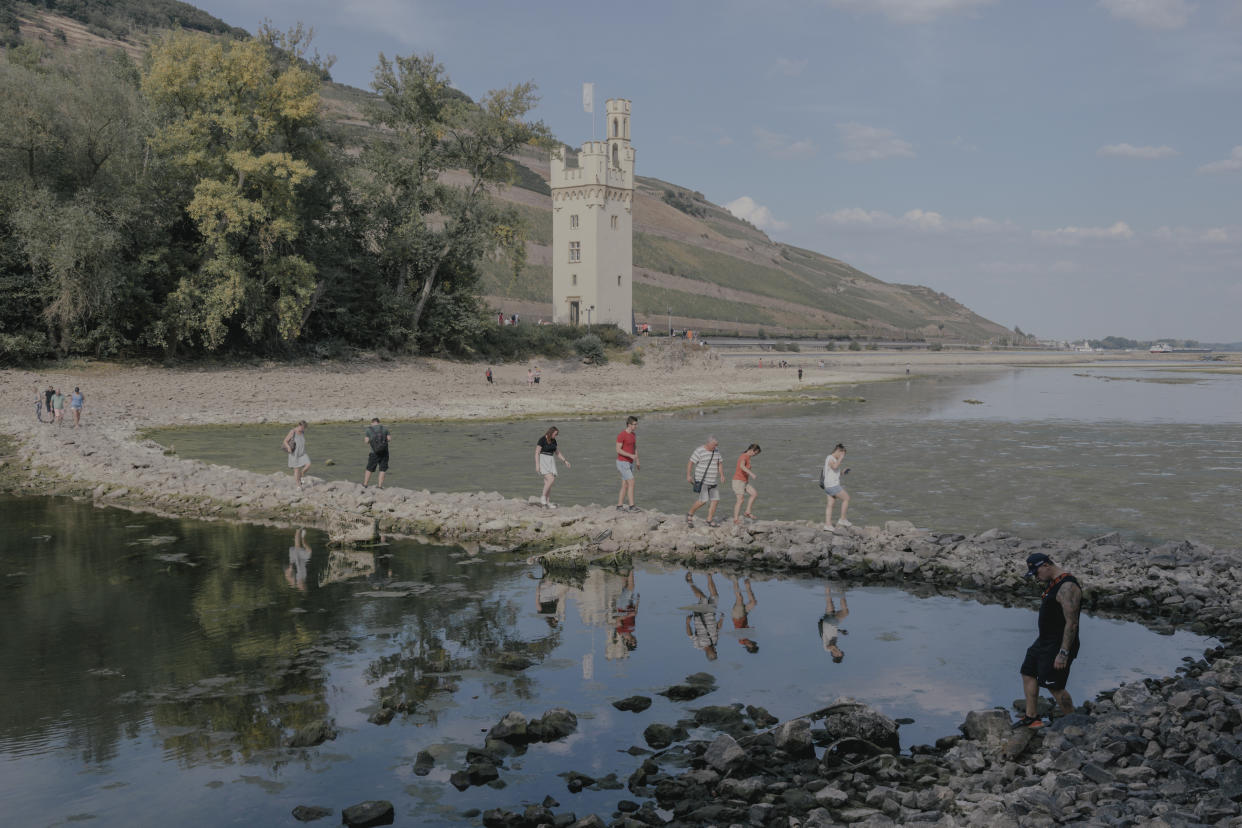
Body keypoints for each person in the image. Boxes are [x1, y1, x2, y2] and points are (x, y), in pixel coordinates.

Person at [1015, 552, 1082, 728]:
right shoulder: (1054, 583)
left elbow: (1072, 623)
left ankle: (1073, 723)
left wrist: (1063, 652)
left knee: (1055, 686)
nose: (1037, 578)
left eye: (1037, 573)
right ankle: (1032, 717)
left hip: (1059, 644)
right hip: (1044, 640)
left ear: (1046, 565)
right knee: (1028, 671)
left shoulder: (1067, 586)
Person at [686, 436, 723, 527]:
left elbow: (720, 463)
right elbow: (691, 462)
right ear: (708, 443)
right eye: (714, 445)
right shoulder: (699, 451)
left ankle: (709, 520)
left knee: (715, 500)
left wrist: (722, 475)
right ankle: (690, 513)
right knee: (703, 500)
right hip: (702, 480)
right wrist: (688, 475)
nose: (715, 447)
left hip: (713, 481)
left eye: (716, 445)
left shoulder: (716, 451)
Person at [684, 572, 723, 661]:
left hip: (700, 616)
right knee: (715, 596)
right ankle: (709, 575)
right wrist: (722, 618)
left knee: (703, 598)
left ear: (710, 654)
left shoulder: (698, 645)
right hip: (711, 614)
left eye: (715, 652)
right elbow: (718, 628)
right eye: (716, 652)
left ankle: (690, 581)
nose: (716, 650)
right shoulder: (714, 642)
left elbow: (690, 635)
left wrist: (687, 623)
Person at [535, 425, 570, 508]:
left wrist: (565, 461)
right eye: (555, 434)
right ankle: (543, 497)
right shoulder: (542, 439)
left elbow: (557, 452)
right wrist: (537, 465)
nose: (556, 436)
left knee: (548, 483)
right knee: (551, 479)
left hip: (551, 461)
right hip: (543, 461)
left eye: (557, 434)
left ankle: (547, 502)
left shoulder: (554, 441)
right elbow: (537, 453)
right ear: (551, 432)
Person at [822, 443, 851, 531]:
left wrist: (842, 472)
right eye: (842, 454)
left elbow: (834, 472)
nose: (842, 457)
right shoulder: (830, 458)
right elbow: (834, 466)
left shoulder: (832, 459)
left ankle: (828, 525)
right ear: (838, 451)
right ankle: (842, 519)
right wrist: (841, 458)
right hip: (832, 485)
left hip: (828, 486)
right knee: (846, 498)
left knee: (830, 504)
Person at [818, 584, 849, 663]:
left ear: (835, 655)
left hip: (830, 623)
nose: (840, 652)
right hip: (827, 622)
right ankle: (827, 584)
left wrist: (835, 650)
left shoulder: (827, 649)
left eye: (839, 654)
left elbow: (831, 647)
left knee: (845, 612)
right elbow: (831, 633)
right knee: (829, 601)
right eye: (841, 653)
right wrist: (840, 631)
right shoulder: (834, 643)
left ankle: (841, 591)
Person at [731, 443, 761, 525]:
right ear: (751, 450)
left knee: (754, 494)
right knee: (740, 500)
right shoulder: (744, 456)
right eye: (755, 453)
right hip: (738, 481)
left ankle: (747, 511)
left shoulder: (748, 457)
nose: (755, 455)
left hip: (744, 481)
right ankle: (736, 519)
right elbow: (742, 466)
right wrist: (751, 474)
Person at [615, 415, 640, 512]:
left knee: (625, 485)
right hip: (622, 462)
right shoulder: (622, 435)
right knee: (632, 482)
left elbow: (634, 448)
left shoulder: (633, 435)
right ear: (629, 424)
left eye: (637, 424)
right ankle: (632, 506)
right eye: (634, 424)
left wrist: (637, 460)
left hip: (630, 463)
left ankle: (619, 506)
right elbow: (618, 450)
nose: (636, 426)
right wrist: (630, 455)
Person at [730, 574, 759, 654]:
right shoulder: (747, 638)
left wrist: (749, 631)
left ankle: (734, 579)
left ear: (749, 647)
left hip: (737, 616)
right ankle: (747, 584)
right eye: (754, 644)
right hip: (744, 615)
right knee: (753, 603)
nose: (753, 643)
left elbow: (742, 631)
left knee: (739, 598)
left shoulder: (742, 641)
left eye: (752, 645)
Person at [363, 417, 390, 488]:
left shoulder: (368, 429)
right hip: (384, 452)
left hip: (374, 452)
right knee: (382, 469)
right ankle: (380, 486)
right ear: (378, 422)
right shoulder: (385, 428)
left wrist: (372, 440)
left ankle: (365, 484)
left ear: (372, 423)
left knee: (369, 468)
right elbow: (389, 439)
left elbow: (366, 441)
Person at [282, 421, 311, 487]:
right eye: (303, 427)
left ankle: (301, 474)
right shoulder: (292, 431)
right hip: (294, 454)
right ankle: (298, 486)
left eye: (304, 428)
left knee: (308, 464)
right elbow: (285, 441)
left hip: (302, 453)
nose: (303, 429)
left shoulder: (302, 432)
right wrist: (288, 447)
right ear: (299, 426)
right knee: (296, 470)